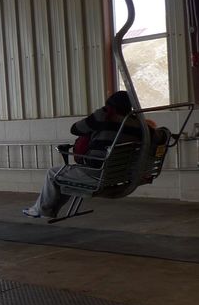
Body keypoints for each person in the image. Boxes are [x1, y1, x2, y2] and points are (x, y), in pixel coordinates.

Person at [23, 90, 143, 219]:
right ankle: (47, 210)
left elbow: (75, 129)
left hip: (97, 172)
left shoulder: (105, 114)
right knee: (65, 177)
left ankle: (42, 210)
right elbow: (154, 135)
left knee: (53, 173)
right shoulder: (136, 123)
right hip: (119, 173)